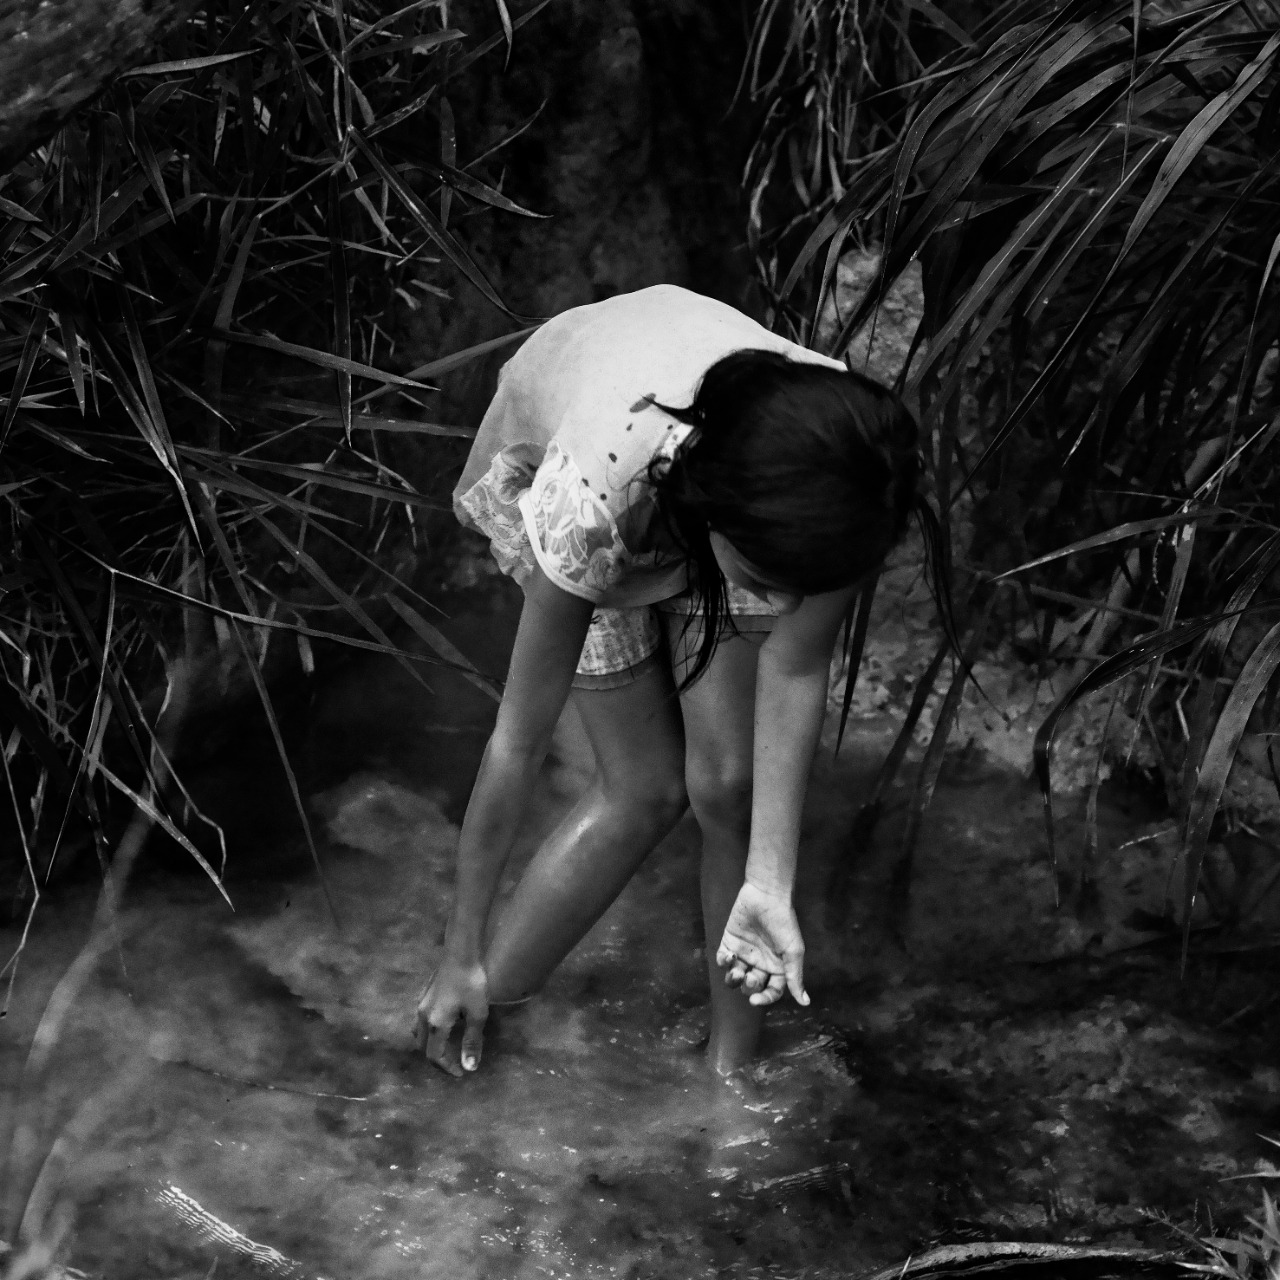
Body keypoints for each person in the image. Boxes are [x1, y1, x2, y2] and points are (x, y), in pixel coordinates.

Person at [416, 283, 923, 1078]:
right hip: (597, 471)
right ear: (720, 526)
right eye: (768, 583)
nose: (784, 608)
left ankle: (730, 1073)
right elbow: (516, 741)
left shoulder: (847, 480)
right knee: (644, 788)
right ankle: (478, 1008)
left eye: (796, 587)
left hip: (715, 490)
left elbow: (794, 659)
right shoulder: (588, 507)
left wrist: (771, 879)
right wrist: (459, 949)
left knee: (725, 785)